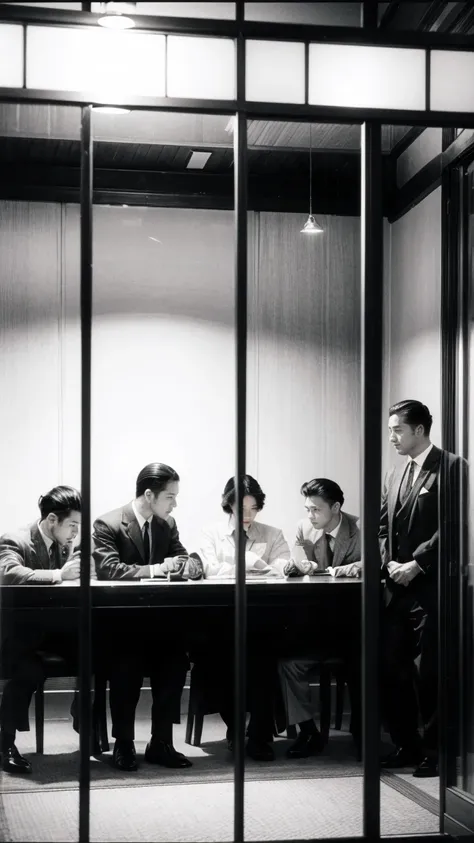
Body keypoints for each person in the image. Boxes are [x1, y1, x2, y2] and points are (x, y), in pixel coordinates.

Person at [93, 462, 202, 773]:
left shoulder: (166, 524)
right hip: (120, 626)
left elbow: (181, 556)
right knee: (126, 663)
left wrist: (188, 565)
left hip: (159, 625)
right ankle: (123, 743)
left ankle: (161, 743)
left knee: (176, 662)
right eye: (170, 497)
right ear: (149, 495)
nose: (175, 503)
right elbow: (109, 570)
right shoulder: (108, 523)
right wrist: (157, 569)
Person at [379, 399, 464, 778]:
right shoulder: (395, 473)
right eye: (390, 429)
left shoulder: (452, 466)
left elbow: (455, 524)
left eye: (397, 429)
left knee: (430, 673)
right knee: (392, 668)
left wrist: (417, 564)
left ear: (419, 430)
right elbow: (383, 526)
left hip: (432, 588)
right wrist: (391, 565)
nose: (392, 437)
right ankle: (405, 745)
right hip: (396, 588)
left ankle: (435, 751)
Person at [195, 474, 291, 761]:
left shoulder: (273, 534)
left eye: (254, 509)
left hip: (263, 618)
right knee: (221, 657)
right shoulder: (211, 533)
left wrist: (239, 566)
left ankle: (260, 734)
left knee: (263, 657)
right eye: (241, 509)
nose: (248, 516)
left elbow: (283, 568)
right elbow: (207, 569)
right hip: (221, 618)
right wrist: (253, 564)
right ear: (229, 506)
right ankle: (236, 728)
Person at [0, 485, 83, 774]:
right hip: (18, 636)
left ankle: (85, 721)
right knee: (28, 671)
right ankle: (5, 742)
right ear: (51, 520)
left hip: (53, 633)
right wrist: (59, 575)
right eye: (72, 525)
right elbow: (9, 574)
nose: (75, 532)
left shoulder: (67, 543)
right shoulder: (15, 539)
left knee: (100, 650)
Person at [278, 478, 362, 759]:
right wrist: (297, 566)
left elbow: (378, 560)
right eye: (307, 509)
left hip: (355, 625)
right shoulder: (304, 528)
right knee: (286, 663)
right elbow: (302, 560)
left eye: (316, 510)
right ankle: (308, 731)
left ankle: (363, 733)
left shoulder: (360, 528)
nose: (309, 516)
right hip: (317, 623)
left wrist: (353, 567)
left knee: (363, 664)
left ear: (336, 507)